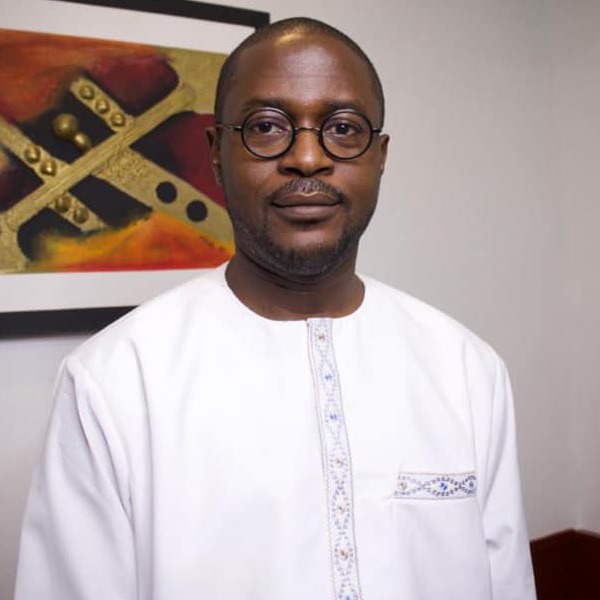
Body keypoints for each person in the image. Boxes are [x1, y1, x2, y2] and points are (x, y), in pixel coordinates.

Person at [14, 17, 536, 600]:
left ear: (380, 156)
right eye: (266, 127)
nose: (307, 158)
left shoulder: (466, 370)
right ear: (216, 153)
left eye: (343, 129)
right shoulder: (114, 382)